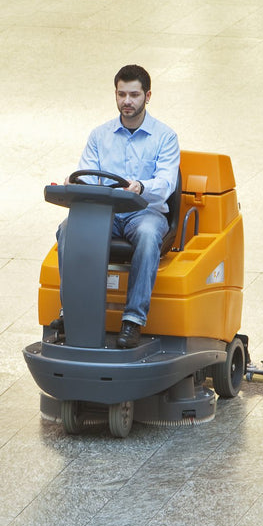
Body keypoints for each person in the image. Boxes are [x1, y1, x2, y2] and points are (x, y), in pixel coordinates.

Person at [55, 64, 180, 348]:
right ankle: (72, 310)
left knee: (148, 237)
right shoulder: (100, 136)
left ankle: (133, 320)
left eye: (134, 95)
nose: (127, 101)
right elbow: (87, 172)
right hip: (107, 212)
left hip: (145, 212)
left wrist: (141, 186)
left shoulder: (165, 137)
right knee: (67, 230)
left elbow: (166, 182)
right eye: (121, 94)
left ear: (147, 96)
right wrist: (76, 182)